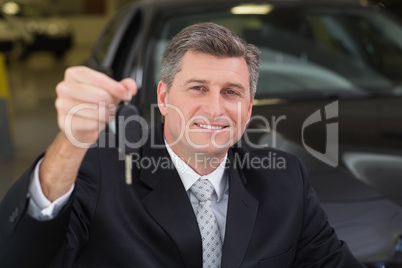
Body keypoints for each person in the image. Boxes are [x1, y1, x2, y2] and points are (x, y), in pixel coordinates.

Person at [0, 22, 363, 267]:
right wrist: (72, 139)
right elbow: (21, 255)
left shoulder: (285, 179)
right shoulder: (101, 171)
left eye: (231, 92)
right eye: (198, 88)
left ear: (249, 108)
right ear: (163, 96)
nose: (215, 108)